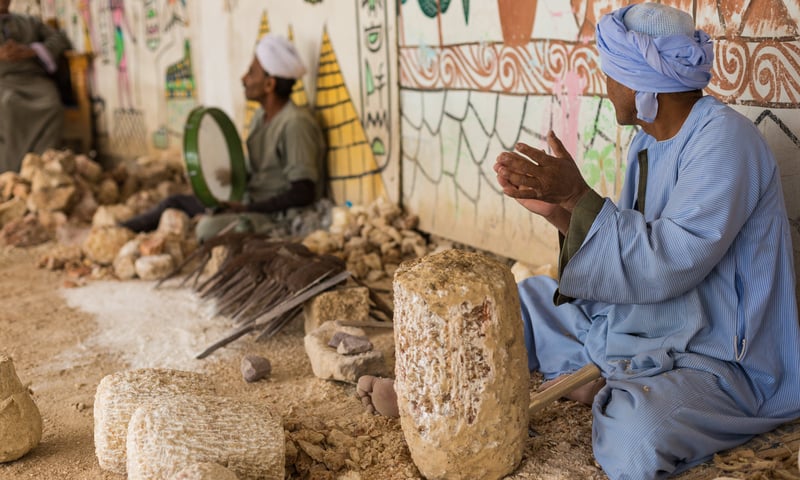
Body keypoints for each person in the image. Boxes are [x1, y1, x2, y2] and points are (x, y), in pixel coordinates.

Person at [358, 4, 800, 479]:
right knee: (519, 299)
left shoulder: (725, 143)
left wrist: (578, 195)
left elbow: (667, 262)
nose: (605, 87)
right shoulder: (649, 140)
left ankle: (605, 383)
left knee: (635, 437)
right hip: (647, 325)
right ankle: (429, 395)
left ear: (641, 83)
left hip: (716, 361)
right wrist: (562, 214)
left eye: (611, 74)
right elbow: (637, 243)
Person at [122, 33, 326, 241]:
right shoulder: (260, 117)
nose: (244, 78)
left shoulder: (295, 124)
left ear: (269, 85)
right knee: (175, 202)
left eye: (251, 73)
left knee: (207, 228)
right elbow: (257, 167)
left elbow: (303, 193)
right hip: (249, 200)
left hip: (274, 216)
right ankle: (120, 232)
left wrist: (246, 208)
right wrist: (220, 178)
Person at [0, 0, 71, 172]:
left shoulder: (29, 21)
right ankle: (10, 171)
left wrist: (32, 50)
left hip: (34, 79)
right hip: (3, 81)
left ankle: (41, 168)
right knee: (9, 104)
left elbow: (59, 38)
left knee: (52, 104)